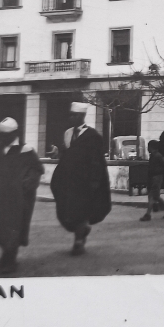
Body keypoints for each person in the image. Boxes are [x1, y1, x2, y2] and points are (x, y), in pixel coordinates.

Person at [0, 117, 45, 273]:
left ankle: (10, 259)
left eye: (6, 135)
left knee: (14, 227)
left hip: (18, 198)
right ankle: (7, 254)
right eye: (1, 135)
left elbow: (36, 170)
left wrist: (26, 185)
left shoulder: (26, 150)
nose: (3, 138)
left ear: (15, 133)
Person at [49, 102, 112, 256]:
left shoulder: (93, 136)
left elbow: (96, 160)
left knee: (81, 209)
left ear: (82, 116)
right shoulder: (67, 133)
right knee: (67, 210)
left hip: (85, 180)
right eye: (71, 115)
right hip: (68, 179)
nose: (72, 118)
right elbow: (67, 154)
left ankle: (78, 241)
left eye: (75, 115)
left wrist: (95, 181)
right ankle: (82, 230)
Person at [139, 140, 164, 222]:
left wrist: (159, 171)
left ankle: (148, 214)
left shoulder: (157, 156)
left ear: (151, 147)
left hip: (156, 177)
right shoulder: (155, 155)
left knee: (152, 196)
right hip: (154, 177)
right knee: (155, 196)